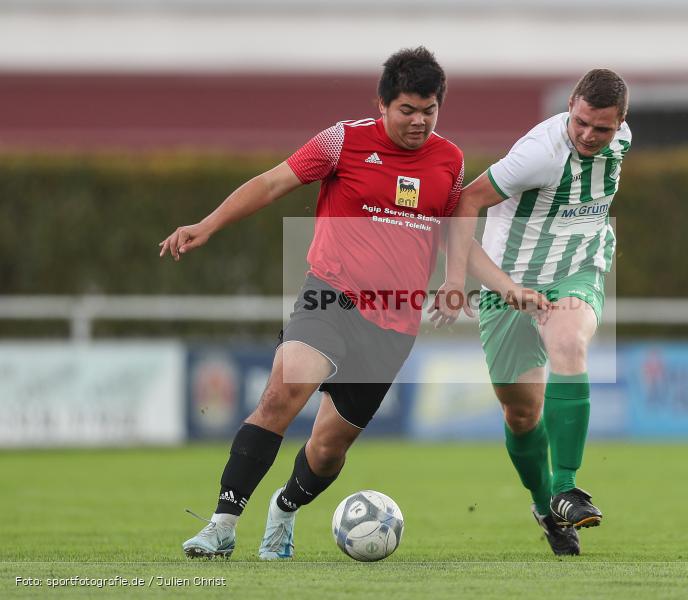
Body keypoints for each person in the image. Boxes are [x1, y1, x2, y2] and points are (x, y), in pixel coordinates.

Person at [160, 47, 540, 560]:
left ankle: (284, 510)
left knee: (327, 448)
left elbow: (456, 237)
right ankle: (222, 524)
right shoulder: (343, 141)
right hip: (329, 295)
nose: (419, 121)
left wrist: (484, 284)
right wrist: (207, 224)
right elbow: (271, 184)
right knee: (281, 394)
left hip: (394, 321)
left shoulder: (449, 160)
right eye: (408, 110)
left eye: (429, 111)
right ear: (383, 104)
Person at [432, 69, 631, 556]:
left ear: (620, 124)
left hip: (577, 272)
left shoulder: (622, 139)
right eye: (581, 122)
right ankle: (546, 508)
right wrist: (460, 281)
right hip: (508, 284)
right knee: (521, 414)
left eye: (601, 129)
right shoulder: (537, 156)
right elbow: (463, 204)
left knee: (569, 342)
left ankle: (566, 487)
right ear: (570, 106)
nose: (589, 135)